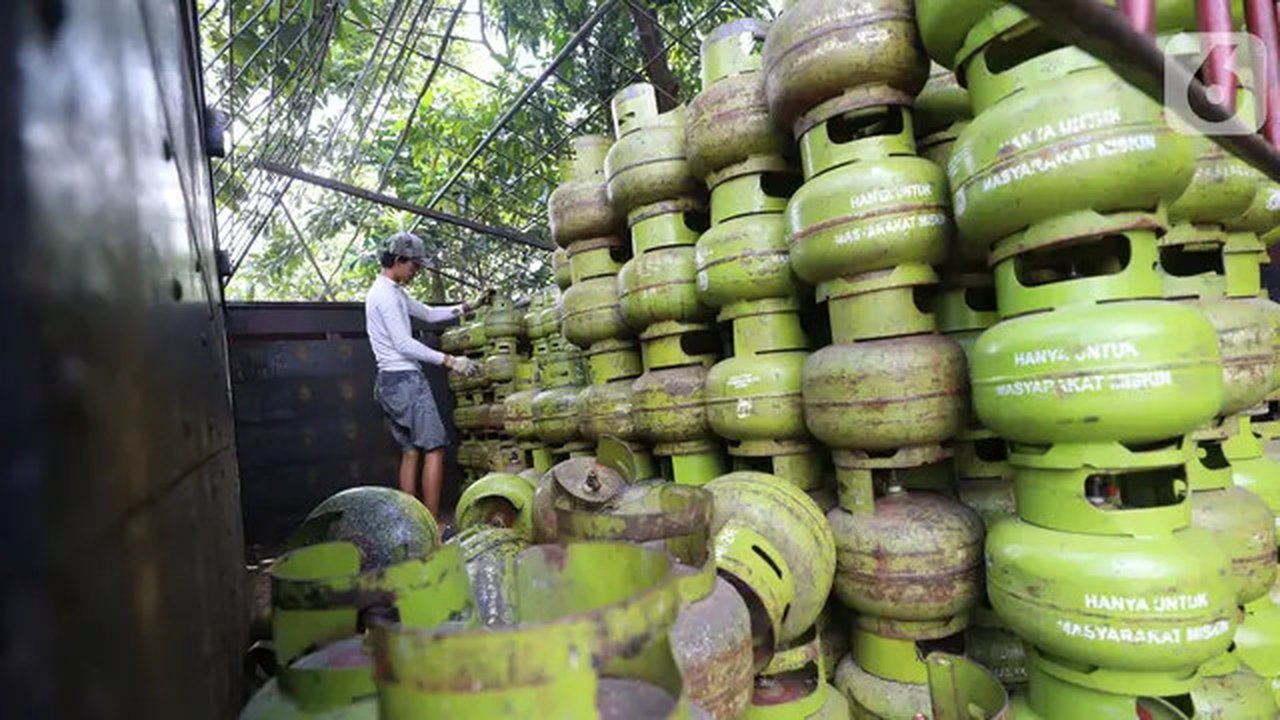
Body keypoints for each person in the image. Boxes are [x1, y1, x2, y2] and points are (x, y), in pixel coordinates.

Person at [364, 232, 492, 526]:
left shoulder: (391, 291)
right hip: (405, 380)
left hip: (388, 382)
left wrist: (467, 307)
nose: (416, 271)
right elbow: (403, 344)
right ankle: (433, 524)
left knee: (410, 452)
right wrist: (451, 361)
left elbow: (429, 314)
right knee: (433, 448)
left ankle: (412, 525)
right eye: (414, 266)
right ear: (398, 260)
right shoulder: (385, 295)